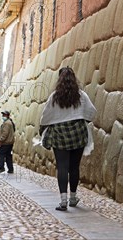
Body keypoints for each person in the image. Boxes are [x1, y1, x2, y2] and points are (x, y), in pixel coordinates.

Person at [39, 67, 96, 211]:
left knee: (62, 167)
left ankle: (63, 201)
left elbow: (46, 116)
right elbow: (91, 112)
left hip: (59, 134)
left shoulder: (54, 97)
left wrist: (43, 129)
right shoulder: (81, 95)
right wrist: (81, 119)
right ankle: (73, 197)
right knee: (74, 167)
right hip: (78, 133)